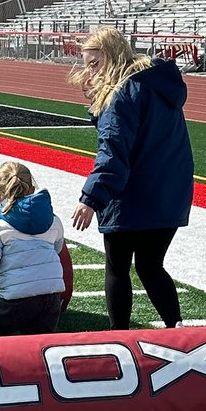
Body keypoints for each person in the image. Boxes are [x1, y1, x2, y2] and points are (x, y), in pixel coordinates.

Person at [69, 27, 194, 330]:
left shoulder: (121, 93)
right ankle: (177, 329)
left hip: (131, 195)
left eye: (94, 64)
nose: (90, 72)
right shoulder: (158, 85)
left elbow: (113, 153)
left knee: (117, 267)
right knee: (151, 267)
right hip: (169, 194)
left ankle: (119, 337)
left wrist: (90, 199)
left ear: (111, 57)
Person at [0, 160, 65, 336]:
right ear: (32, 189)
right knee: (40, 340)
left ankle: (1, 364)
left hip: (17, 296)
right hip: (52, 295)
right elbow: (57, 248)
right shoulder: (53, 220)